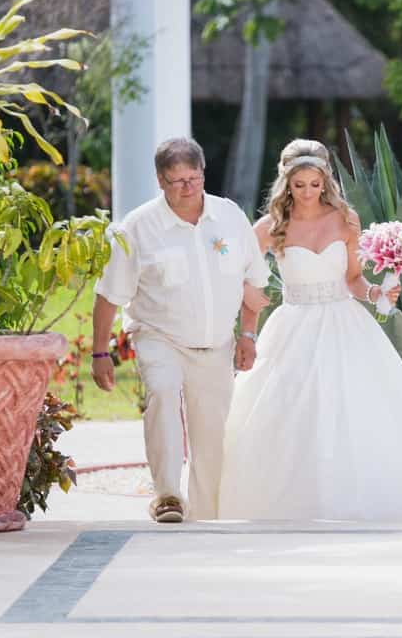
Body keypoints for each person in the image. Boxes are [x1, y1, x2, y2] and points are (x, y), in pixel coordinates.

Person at [218, 139, 402, 523]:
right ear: (286, 183)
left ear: (326, 181)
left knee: (361, 412)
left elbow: (354, 279)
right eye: (299, 185)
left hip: (345, 323)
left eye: (315, 184)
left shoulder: (346, 220)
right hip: (293, 326)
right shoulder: (270, 227)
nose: (307, 193)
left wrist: (376, 292)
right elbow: (238, 272)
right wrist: (248, 327)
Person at [92, 137, 269, 523]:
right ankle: (167, 494)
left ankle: (205, 513)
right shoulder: (137, 227)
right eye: (177, 181)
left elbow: (253, 285)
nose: (187, 187)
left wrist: (248, 335)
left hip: (216, 345)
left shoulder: (230, 217)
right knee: (163, 391)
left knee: (212, 433)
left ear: (203, 173)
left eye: (193, 178)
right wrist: (99, 353)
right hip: (159, 336)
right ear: (160, 180)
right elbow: (108, 294)